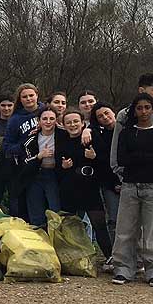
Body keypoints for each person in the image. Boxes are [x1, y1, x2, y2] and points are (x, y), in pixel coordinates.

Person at [110, 93, 153, 287]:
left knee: (152, 230)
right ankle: (123, 268)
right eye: (139, 108)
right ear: (134, 111)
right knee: (125, 229)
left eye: (147, 107)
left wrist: (137, 156)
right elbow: (122, 159)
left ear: (152, 110)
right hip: (130, 186)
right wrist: (147, 156)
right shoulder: (126, 133)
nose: (143, 111)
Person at [58, 110, 113, 258]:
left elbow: (106, 162)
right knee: (69, 227)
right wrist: (63, 166)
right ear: (64, 125)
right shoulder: (61, 140)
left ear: (83, 123)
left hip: (90, 189)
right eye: (68, 122)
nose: (73, 125)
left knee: (99, 225)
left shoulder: (91, 137)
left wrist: (94, 157)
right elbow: (57, 167)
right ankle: (72, 259)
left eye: (76, 121)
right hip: (69, 189)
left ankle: (109, 257)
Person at [12, 107, 65, 227]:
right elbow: (25, 162)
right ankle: (39, 234)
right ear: (38, 120)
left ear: (56, 120)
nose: (48, 122)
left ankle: (57, 234)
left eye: (52, 118)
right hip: (36, 175)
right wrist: (39, 156)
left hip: (55, 175)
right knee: (36, 211)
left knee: (56, 209)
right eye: (44, 119)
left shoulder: (63, 135)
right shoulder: (31, 139)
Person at [89, 101, 122, 269]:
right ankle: (117, 256)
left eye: (106, 113)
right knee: (113, 220)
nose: (105, 117)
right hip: (110, 184)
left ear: (113, 112)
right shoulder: (99, 135)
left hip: (130, 181)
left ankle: (137, 257)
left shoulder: (126, 130)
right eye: (100, 116)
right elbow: (103, 163)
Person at [4, 83, 44, 219]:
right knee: (28, 206)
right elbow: (7, 147)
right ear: (20, 99)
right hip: (26, 167)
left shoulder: (46, 111)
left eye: (31, 95)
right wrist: (25, 144)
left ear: (37, 95)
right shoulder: (15, 119)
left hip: (48, 163)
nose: (28, 99)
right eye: (24, 96)